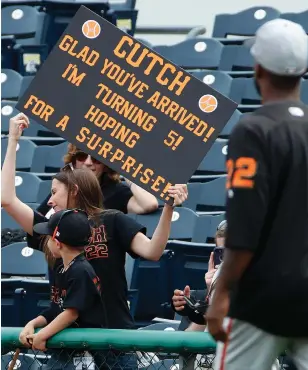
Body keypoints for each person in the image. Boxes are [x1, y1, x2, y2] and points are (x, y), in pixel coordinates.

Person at [206, 18, 308, 370]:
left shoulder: (253, 131)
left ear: (257, 68)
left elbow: (244, 228)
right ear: (303, 70)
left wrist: (223, 291)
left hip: (264, 298)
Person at [2, 113, 188, 369]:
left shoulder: (113, 219)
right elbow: (7, 200)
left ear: (74, 191)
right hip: (66, 340)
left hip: (114, 338)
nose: (50, 200)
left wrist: (168, 207)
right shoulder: (52, 225)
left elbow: (154, 251)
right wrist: (12, 140)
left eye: (55, 193)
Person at [19, 209, 106, 354]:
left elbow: (71, 313)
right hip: (66, 352)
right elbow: (55, 309)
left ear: (57, 243)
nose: (46, 242)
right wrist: (32, 324)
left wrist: (42, 334)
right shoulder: (62, 268)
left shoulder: (81, 270)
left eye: (48, 237)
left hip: (85, 353)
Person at [37, 143, 158, 217]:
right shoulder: (64, 185)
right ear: (74, 160)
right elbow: (39, 219)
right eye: (82, 156)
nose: (88, 163)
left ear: (106, 165)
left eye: (96, 158)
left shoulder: (117, 191)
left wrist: (125, 168)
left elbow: (149, 204)